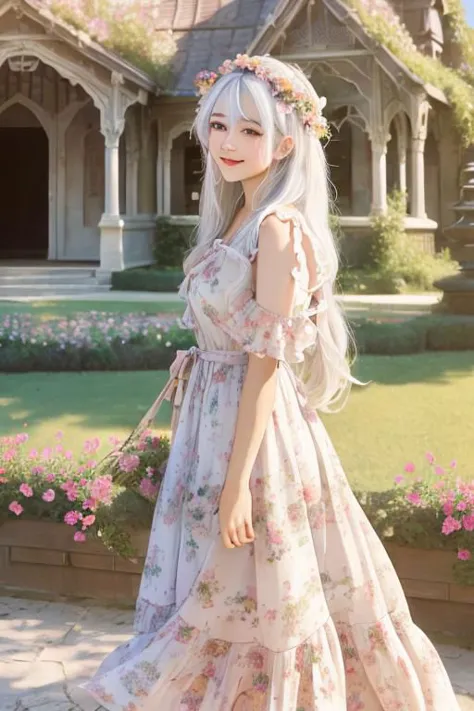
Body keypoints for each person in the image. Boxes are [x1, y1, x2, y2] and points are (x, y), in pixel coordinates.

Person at [81, 54, 460, 711]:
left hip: (257, 437)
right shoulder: (234, 219)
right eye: (220, 125)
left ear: (286, 143)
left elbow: (265, 365)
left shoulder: (279, 231)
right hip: (210, 417)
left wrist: (237, 484)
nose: (229, 143)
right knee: (220, 578)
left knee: (261, 576)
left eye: (250, 131)